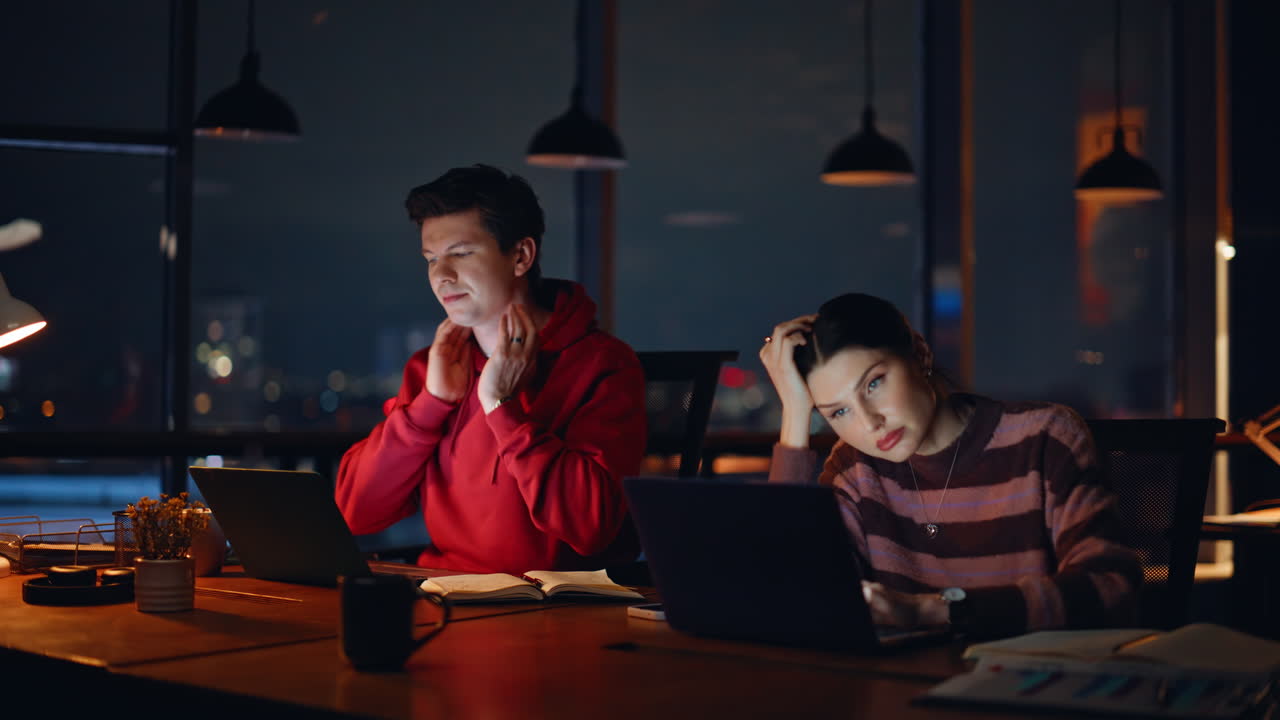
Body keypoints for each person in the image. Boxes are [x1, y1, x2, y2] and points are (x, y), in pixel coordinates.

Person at [759, 292, 1140, 639]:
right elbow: (786, 595)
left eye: (874, 384)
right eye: (839, 411)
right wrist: (794, 414)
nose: (869, 422)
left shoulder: (1043, 438)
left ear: (920, 356)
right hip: (900, 691)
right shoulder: (854, 469)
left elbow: (1111, 587)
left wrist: (930, 610)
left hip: (1024, 687)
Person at [336, 164, 646, 575]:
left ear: (520, 255)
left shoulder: (602, 364)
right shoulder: (432, 369)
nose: (442, 277)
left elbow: (591, 526)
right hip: (446, 596)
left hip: (559, 607)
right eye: (431, 259)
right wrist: (431, 405)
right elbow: (355, 512)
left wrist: (502, 408)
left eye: (461, 254)